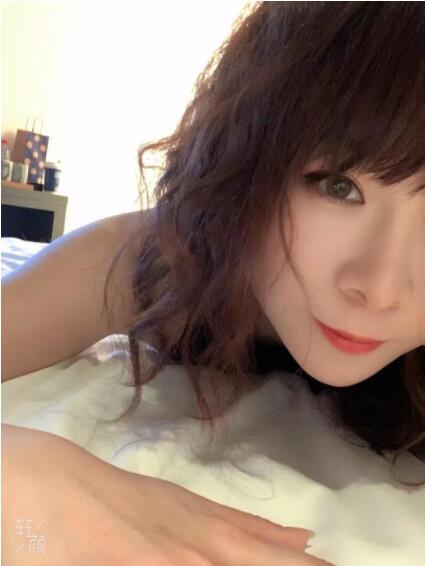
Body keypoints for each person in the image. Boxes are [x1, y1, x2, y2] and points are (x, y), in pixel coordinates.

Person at [2, 2, 424, 565]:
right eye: (338, 186)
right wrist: (24, 485)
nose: (381, 287)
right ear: (246, 159)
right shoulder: (168, 261)